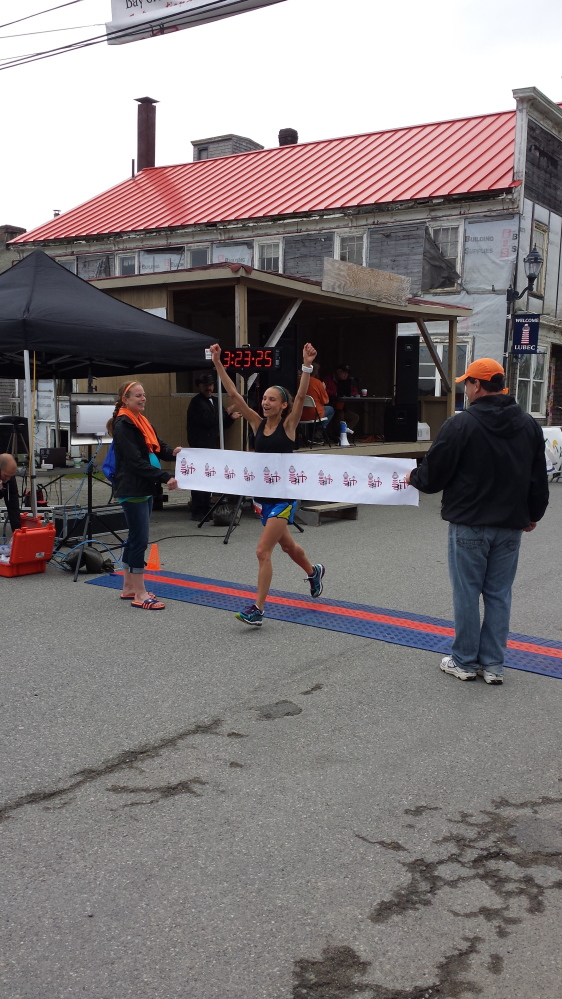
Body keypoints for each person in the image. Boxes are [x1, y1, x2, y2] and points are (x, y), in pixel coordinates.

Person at [406, 358, 549, 685]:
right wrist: (533, 514)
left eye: (467, 383)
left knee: (467, 593)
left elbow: (434, 475)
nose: (465, 389)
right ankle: (494, 665)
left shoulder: (461, 424)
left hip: (469, 522)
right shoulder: (528, 425)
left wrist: (413, 476)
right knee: (499, 594)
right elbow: (537, 477)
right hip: (510, 525)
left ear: (478, 385)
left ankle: (464, 661)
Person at [210, 341, 325, 626]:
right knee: (288, 547)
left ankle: (258, 609)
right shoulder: (256, 423)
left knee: (263, 551)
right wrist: (218, 363)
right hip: (263, 497)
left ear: (283, 406)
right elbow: (234, 394)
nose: (265, 402)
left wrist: (306, 366)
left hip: (283, 498)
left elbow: (301, 396)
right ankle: (314, 572)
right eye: (264, 398)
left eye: (272, 400)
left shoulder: (289, 425)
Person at [107, 382, 181, 610]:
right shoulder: (124, 424)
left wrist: (173, 452)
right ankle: (140, 593)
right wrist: (164, 476)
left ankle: (129, 586)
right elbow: (135, 461)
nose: (143, 399)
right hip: (133, 488)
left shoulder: (141, 421)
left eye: (144, 395)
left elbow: (157, 447)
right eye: (138, 395)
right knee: (139, 539)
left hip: (143, 487)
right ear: (125, 399)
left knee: (134, 537)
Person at [186, 373, 239, 520]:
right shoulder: (196, 402)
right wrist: (226, 412)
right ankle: (198, 510)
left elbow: (220, 423)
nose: (208, 388)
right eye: (205, 385)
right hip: (199, 445)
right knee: (199, 478)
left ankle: (205, 507)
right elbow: (208, 420)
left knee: (208, 477)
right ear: (199, 386)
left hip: (211, 445)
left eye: (210, 385)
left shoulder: (215, 400)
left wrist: (230, 418)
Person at [300, 363, 335, 435]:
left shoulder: (298, 381)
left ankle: (308, 434)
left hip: (300, 414)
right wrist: (323, 389)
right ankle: (318, 431)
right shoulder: (317, 382)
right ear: (315, 372)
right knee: (330, 409)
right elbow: (326, 401)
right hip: (314, 414)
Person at [324, 364, 360, 436]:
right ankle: (336, 435)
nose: (346, 375)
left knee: (355, 417)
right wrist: (336, 393)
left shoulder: (346, 382)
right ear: (338, 372)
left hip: (342, 408)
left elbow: (355, 391)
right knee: (340, 414)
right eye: (344, 372)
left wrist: (347, 394)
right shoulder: (328, 379)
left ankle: (342, 434)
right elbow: (323, 390)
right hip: (330, 407)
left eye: (347, 373)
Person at [0, 453, 21, 533]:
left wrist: (17, 533)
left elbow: (14, 506)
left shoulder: (9, 477)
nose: (8, 479)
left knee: (13, 507)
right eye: (6, 475)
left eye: (11, 476)